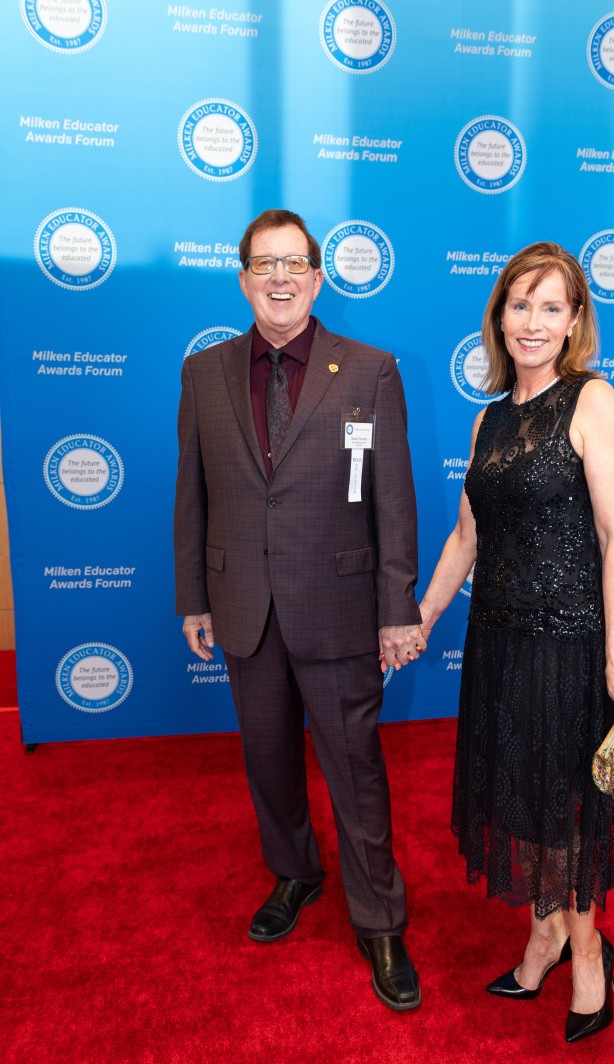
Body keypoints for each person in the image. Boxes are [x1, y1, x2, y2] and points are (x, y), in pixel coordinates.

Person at [174, 209, 425, 1011]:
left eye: (294, 264)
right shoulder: (204, 373)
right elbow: (192, 493)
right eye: (264, 264)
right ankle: (294, 873)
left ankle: (379, 918)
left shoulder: (369, 370)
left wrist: (397, 608)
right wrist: (193, 596)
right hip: (242, 604)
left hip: (341, 606)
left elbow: (393, 499)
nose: (279, 278)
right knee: (268, 759)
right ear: (243, 278)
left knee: (355, 769)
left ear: (317, 279)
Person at [419, 241, 614, 1042]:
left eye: (551, 307)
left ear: (575, 320)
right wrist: (423, 618)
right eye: (520, 304)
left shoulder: (593, 402)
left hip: (569, 647)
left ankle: (587, 955)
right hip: (498, 642)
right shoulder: (488, 418)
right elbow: (466, 537)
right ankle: (544, 933)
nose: (532, 322)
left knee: (567, 806)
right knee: (517, 792)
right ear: (499, 317)